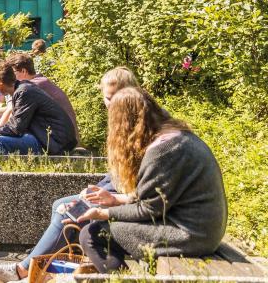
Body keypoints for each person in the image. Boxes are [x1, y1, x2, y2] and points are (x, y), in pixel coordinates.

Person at [0, 67, 141, 282]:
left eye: (114, 97)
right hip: (116, 191)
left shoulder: (135, 124)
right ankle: (48, 270)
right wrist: (96, 188)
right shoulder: (123, 122)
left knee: (68, 213)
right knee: (61, 204)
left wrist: (101, 194)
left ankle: (24, 271)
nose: (111, 103)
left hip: (124, 197)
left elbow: (133, 177)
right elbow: (118, 172)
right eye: (108, 98)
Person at [77, 88, 227, 273]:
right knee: (98, 228)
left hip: (190, 234)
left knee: (92, 235)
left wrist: (104, 213)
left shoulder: (162, 151)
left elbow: (149, 209)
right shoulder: (177, 136)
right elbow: (160, 197)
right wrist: (116, 200)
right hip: (202, 229)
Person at [0, 59, 77, 156]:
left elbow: (15, 128)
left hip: (55, 142)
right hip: (48, 137)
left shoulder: (24, 92)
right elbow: (15, 124)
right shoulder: (22, 89)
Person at [7, 52, 79, 140]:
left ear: (23, 71)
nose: (10, 77)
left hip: (62, 140)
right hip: (61, 136)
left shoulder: (32, 86)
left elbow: (11, 112)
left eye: (12, 73)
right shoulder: (39, 82)